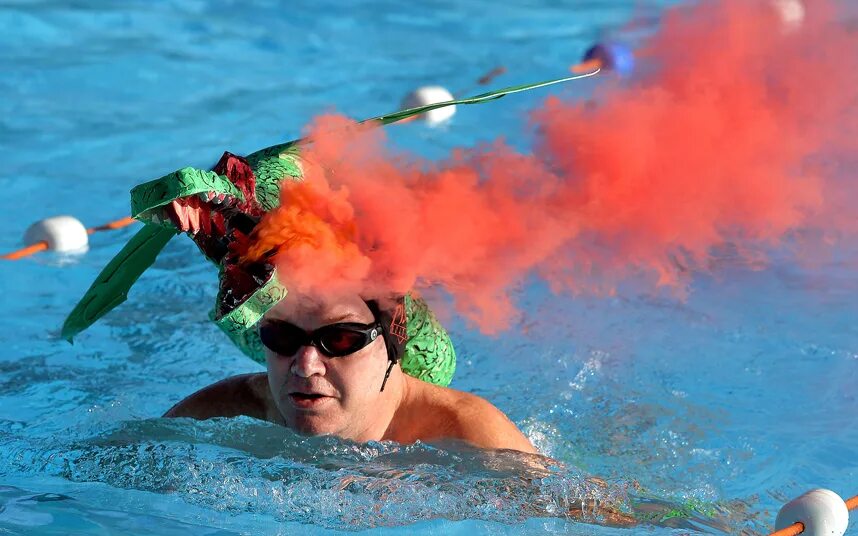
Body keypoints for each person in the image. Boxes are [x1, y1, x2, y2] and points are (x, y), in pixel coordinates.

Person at [165, 291, 537, 454]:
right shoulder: (223, 413)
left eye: (340, 339)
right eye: (281, 336)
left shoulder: (467, 434)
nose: (304, 365)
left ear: (391, 345)